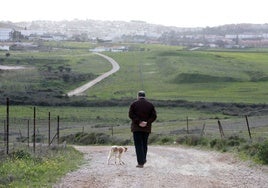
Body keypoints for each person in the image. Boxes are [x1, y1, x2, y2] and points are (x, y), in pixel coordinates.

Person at [129, 91, 157, 168]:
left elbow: (131, 115)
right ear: (145, 96)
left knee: (138, 145)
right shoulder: (150, 105)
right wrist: (147, 123)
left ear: (138, 96)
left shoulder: (134, 104)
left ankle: (140, 162)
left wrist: (139, 122)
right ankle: (143, 159)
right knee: (144, 144)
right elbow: (154, 116)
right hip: (146, 128)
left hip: (136, 128)